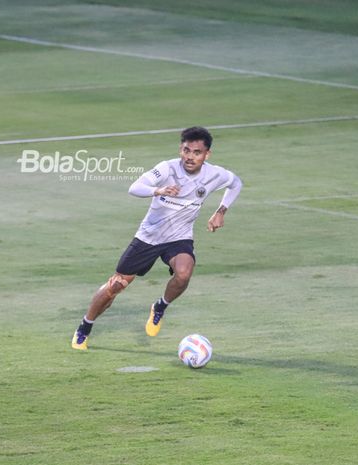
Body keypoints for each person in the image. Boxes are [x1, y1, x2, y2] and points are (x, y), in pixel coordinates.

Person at [72, 126, 242, 350]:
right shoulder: (167, 168)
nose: (190, 157)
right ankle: (85, 326)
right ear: (180, 149)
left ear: (207, 154)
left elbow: (236, 183)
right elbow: (135, 187)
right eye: (186, 150)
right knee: (116, 286)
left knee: (184, 273)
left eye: (197, 152)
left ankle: (160, 306)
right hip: (148, 238)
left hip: (179, 238)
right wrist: (158, 191)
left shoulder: (215, 174)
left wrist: (221, 211)